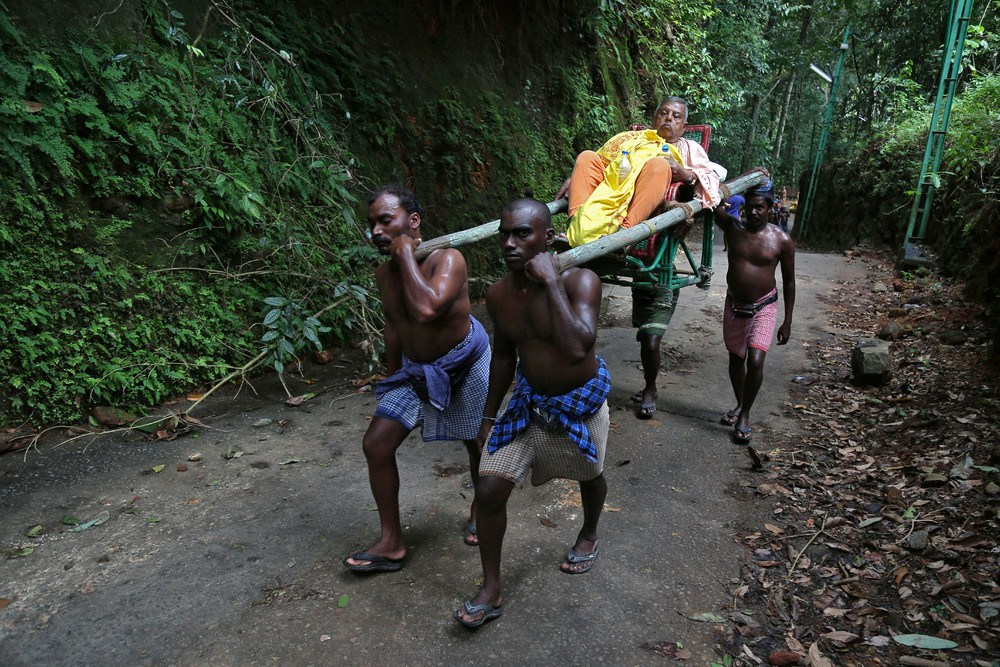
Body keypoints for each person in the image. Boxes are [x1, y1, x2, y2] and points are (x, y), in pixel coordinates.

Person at [454, 198, 610, 627]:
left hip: (580, 404)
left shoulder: (581, 282)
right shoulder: (500, 294)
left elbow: (579, 346)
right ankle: (491, 589)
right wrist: (487, 417)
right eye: (504, 233)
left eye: (522, 233)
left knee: (591, 476)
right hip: (529, 403)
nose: (509, 242)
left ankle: (589, 532)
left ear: (548, 239)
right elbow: (503, 358)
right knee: (487, 490)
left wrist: (550, 284)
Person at [343, 184, 490, 573]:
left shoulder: (448, 259)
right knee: (376, 444)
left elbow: (426, 308)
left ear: (412, 221)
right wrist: (393, 377)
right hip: (416, 367)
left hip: (465, 359)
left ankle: (481, 504)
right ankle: (391, 541)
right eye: (371, 223)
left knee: (474, 440)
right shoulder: (383, 274)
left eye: (385, 221)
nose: (376, 231)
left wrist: (405, 255)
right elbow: (395, 325)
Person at [555, 96, 721, 418]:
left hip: (643, 223)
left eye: (676, 117)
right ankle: (578, 229)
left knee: (650, 338)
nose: (668, 120)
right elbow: (601, 163)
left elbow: (711, 178)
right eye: (664, 113)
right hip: (610, 198)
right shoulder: (631, 139)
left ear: (684, 126)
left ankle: (622, 239)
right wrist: (577, 175)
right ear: (653, 116)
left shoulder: (688, 150)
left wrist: (684, 174)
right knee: (587, 156)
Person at [713, 178, 795, 444]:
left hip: (764, 305)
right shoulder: (733, 228)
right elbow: (711, 200)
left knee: (755, 360)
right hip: (734, 305)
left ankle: (745, 414)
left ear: (770, 207)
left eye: (759, 207)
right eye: (749, 206)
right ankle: (739, 403)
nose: (753, 212)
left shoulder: (782, 240)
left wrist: (788, 321)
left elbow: (789, 281)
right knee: (736, 358)